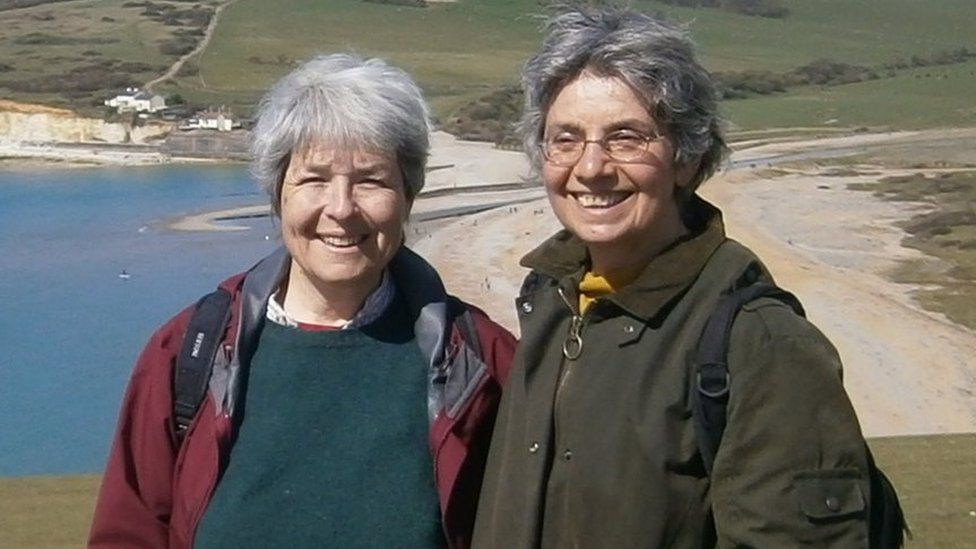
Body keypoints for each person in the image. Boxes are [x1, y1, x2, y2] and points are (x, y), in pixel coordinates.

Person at [473, 7, 876, 547]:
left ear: (686, 157)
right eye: (565, 139)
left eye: (626, 138)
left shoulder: (759, 342)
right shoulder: (550, 298)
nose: (590, 167)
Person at [90, 54, 515, 549]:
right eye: (314, 179)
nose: (340, 208)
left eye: (371, 180)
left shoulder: (482, 362)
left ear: (409, 196)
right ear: (278, 194)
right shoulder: (185, 355)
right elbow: (129, 534)